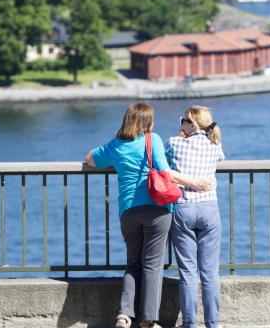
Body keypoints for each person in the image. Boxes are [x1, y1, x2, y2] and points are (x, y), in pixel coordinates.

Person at [86, 102, 210, 328]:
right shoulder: (152, 140)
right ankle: (148, 320)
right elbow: (165, 172)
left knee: (133, 262)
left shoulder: (116, 145)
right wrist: (195, 182)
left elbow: (90, 160)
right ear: (147, 122)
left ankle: (124, 315)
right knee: (152, 265)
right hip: (157, 210)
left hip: (129, 211)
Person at [166, 106, 224, 328]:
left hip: (184, 208)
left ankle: (189, 324)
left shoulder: (174, 143)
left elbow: (160, 167)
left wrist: (182, 136)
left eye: (183, 120)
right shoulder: (215, 144)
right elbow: (217, 160)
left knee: (188, 273)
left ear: (191, 123)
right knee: (210, 273)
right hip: (209, 208)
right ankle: (212, 323)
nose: (180, 123)